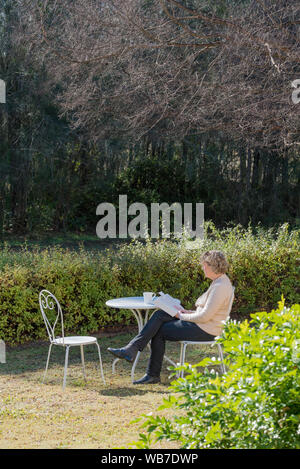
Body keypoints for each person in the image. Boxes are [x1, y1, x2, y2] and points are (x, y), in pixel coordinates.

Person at [108, 250, 234, 384]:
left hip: (207, 330)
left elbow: (205, 317)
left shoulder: (220, 286)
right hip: (203, 325)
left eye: (204, 265)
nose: (203, 268)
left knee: (159, 330)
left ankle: (146, 368)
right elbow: (208, 311)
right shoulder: (219, 282)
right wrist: (187, 312)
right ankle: (133, 352)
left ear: (212, 265)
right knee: (161, 314)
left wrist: (180, 316)